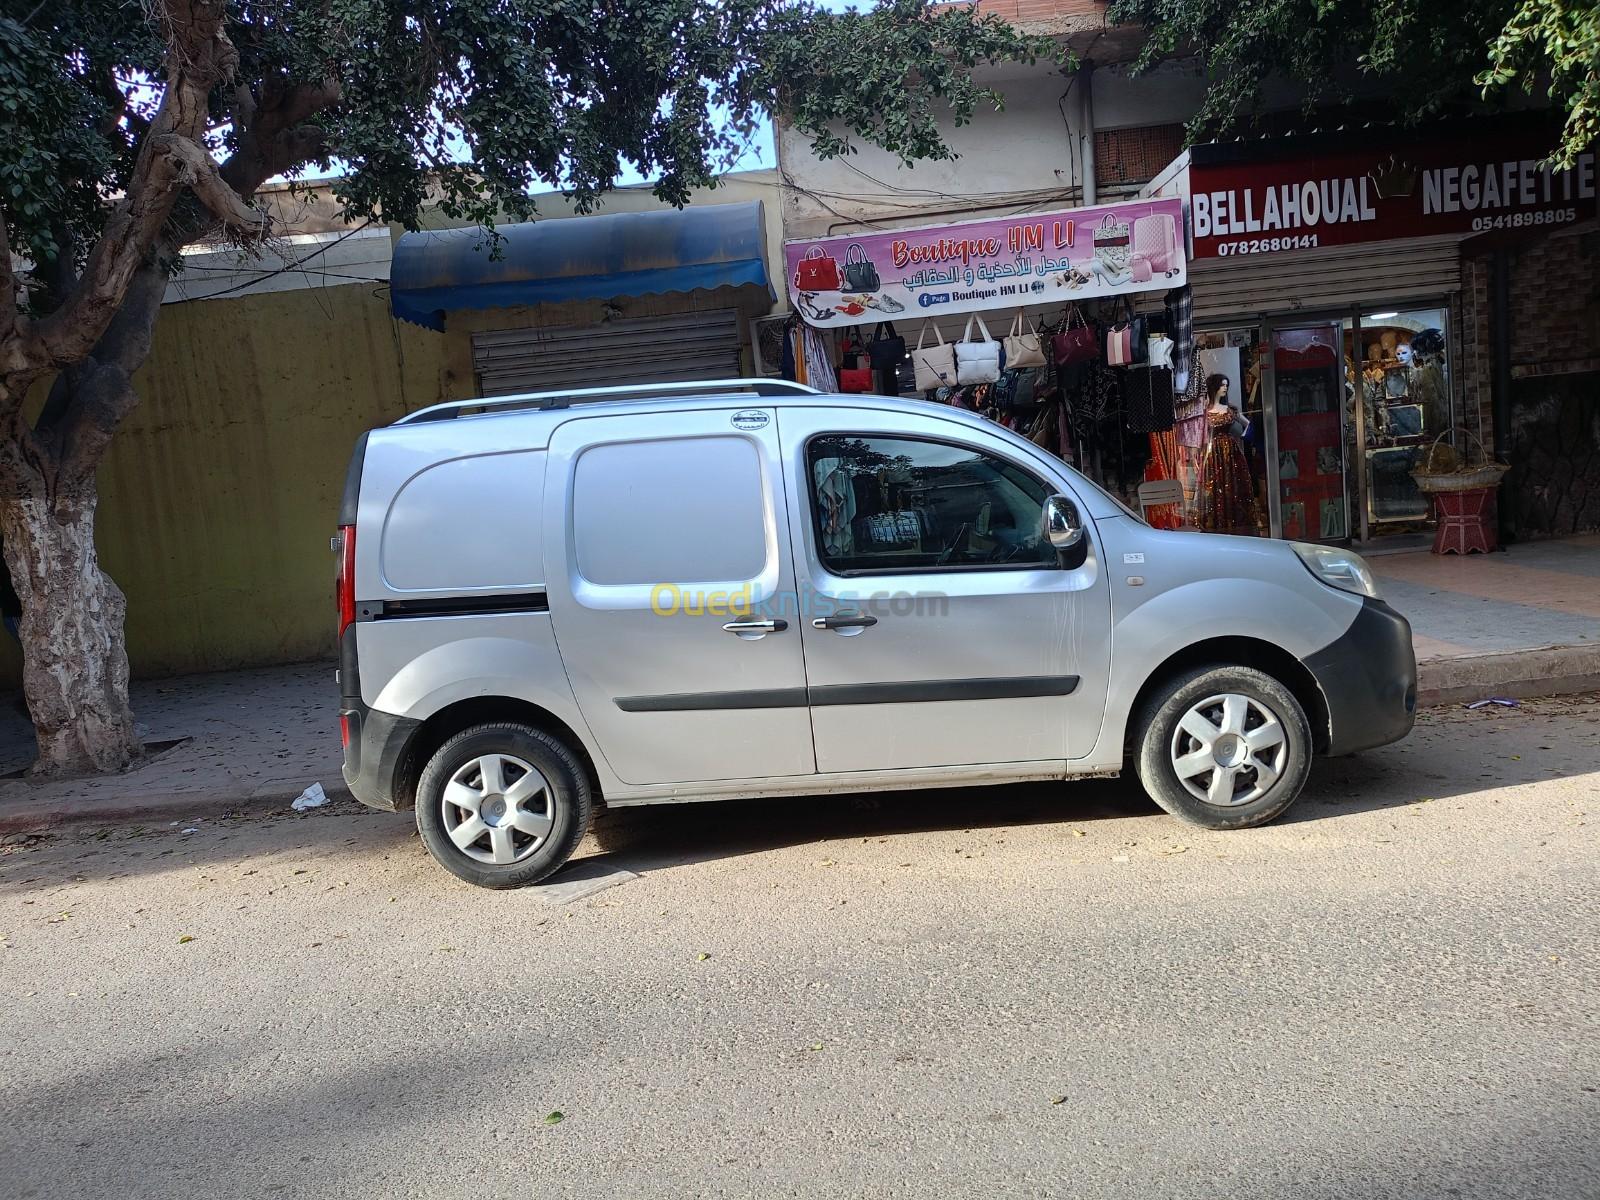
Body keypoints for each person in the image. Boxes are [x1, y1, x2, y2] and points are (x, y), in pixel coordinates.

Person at [1198, 374, 1261, 534]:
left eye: (1227, 385)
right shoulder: (1205, 412)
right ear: (1214, 388)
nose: (1225, 388)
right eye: (1222, 385)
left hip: (1230, 452)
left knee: (1234, 485)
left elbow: (1248, 425)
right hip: (1213, 454)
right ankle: (1218, 526)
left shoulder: (1230, 410)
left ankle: (1236, 525)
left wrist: (1246, 436)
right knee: (1216, 487)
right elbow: (1200, 435)